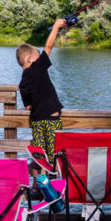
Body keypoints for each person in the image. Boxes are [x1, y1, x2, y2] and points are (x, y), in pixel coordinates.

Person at [17, 17, 68, 161]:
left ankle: (39, 182)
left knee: (40, 158)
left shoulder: (22, 83)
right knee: (56, 156)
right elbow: (49, 47)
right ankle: (54, 181)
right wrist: (56, 27)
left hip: (36, 122)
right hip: (52, 119)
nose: (40, 58)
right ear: (29, 58)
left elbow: (28, 107)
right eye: (38, 56)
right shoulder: (38, 66)